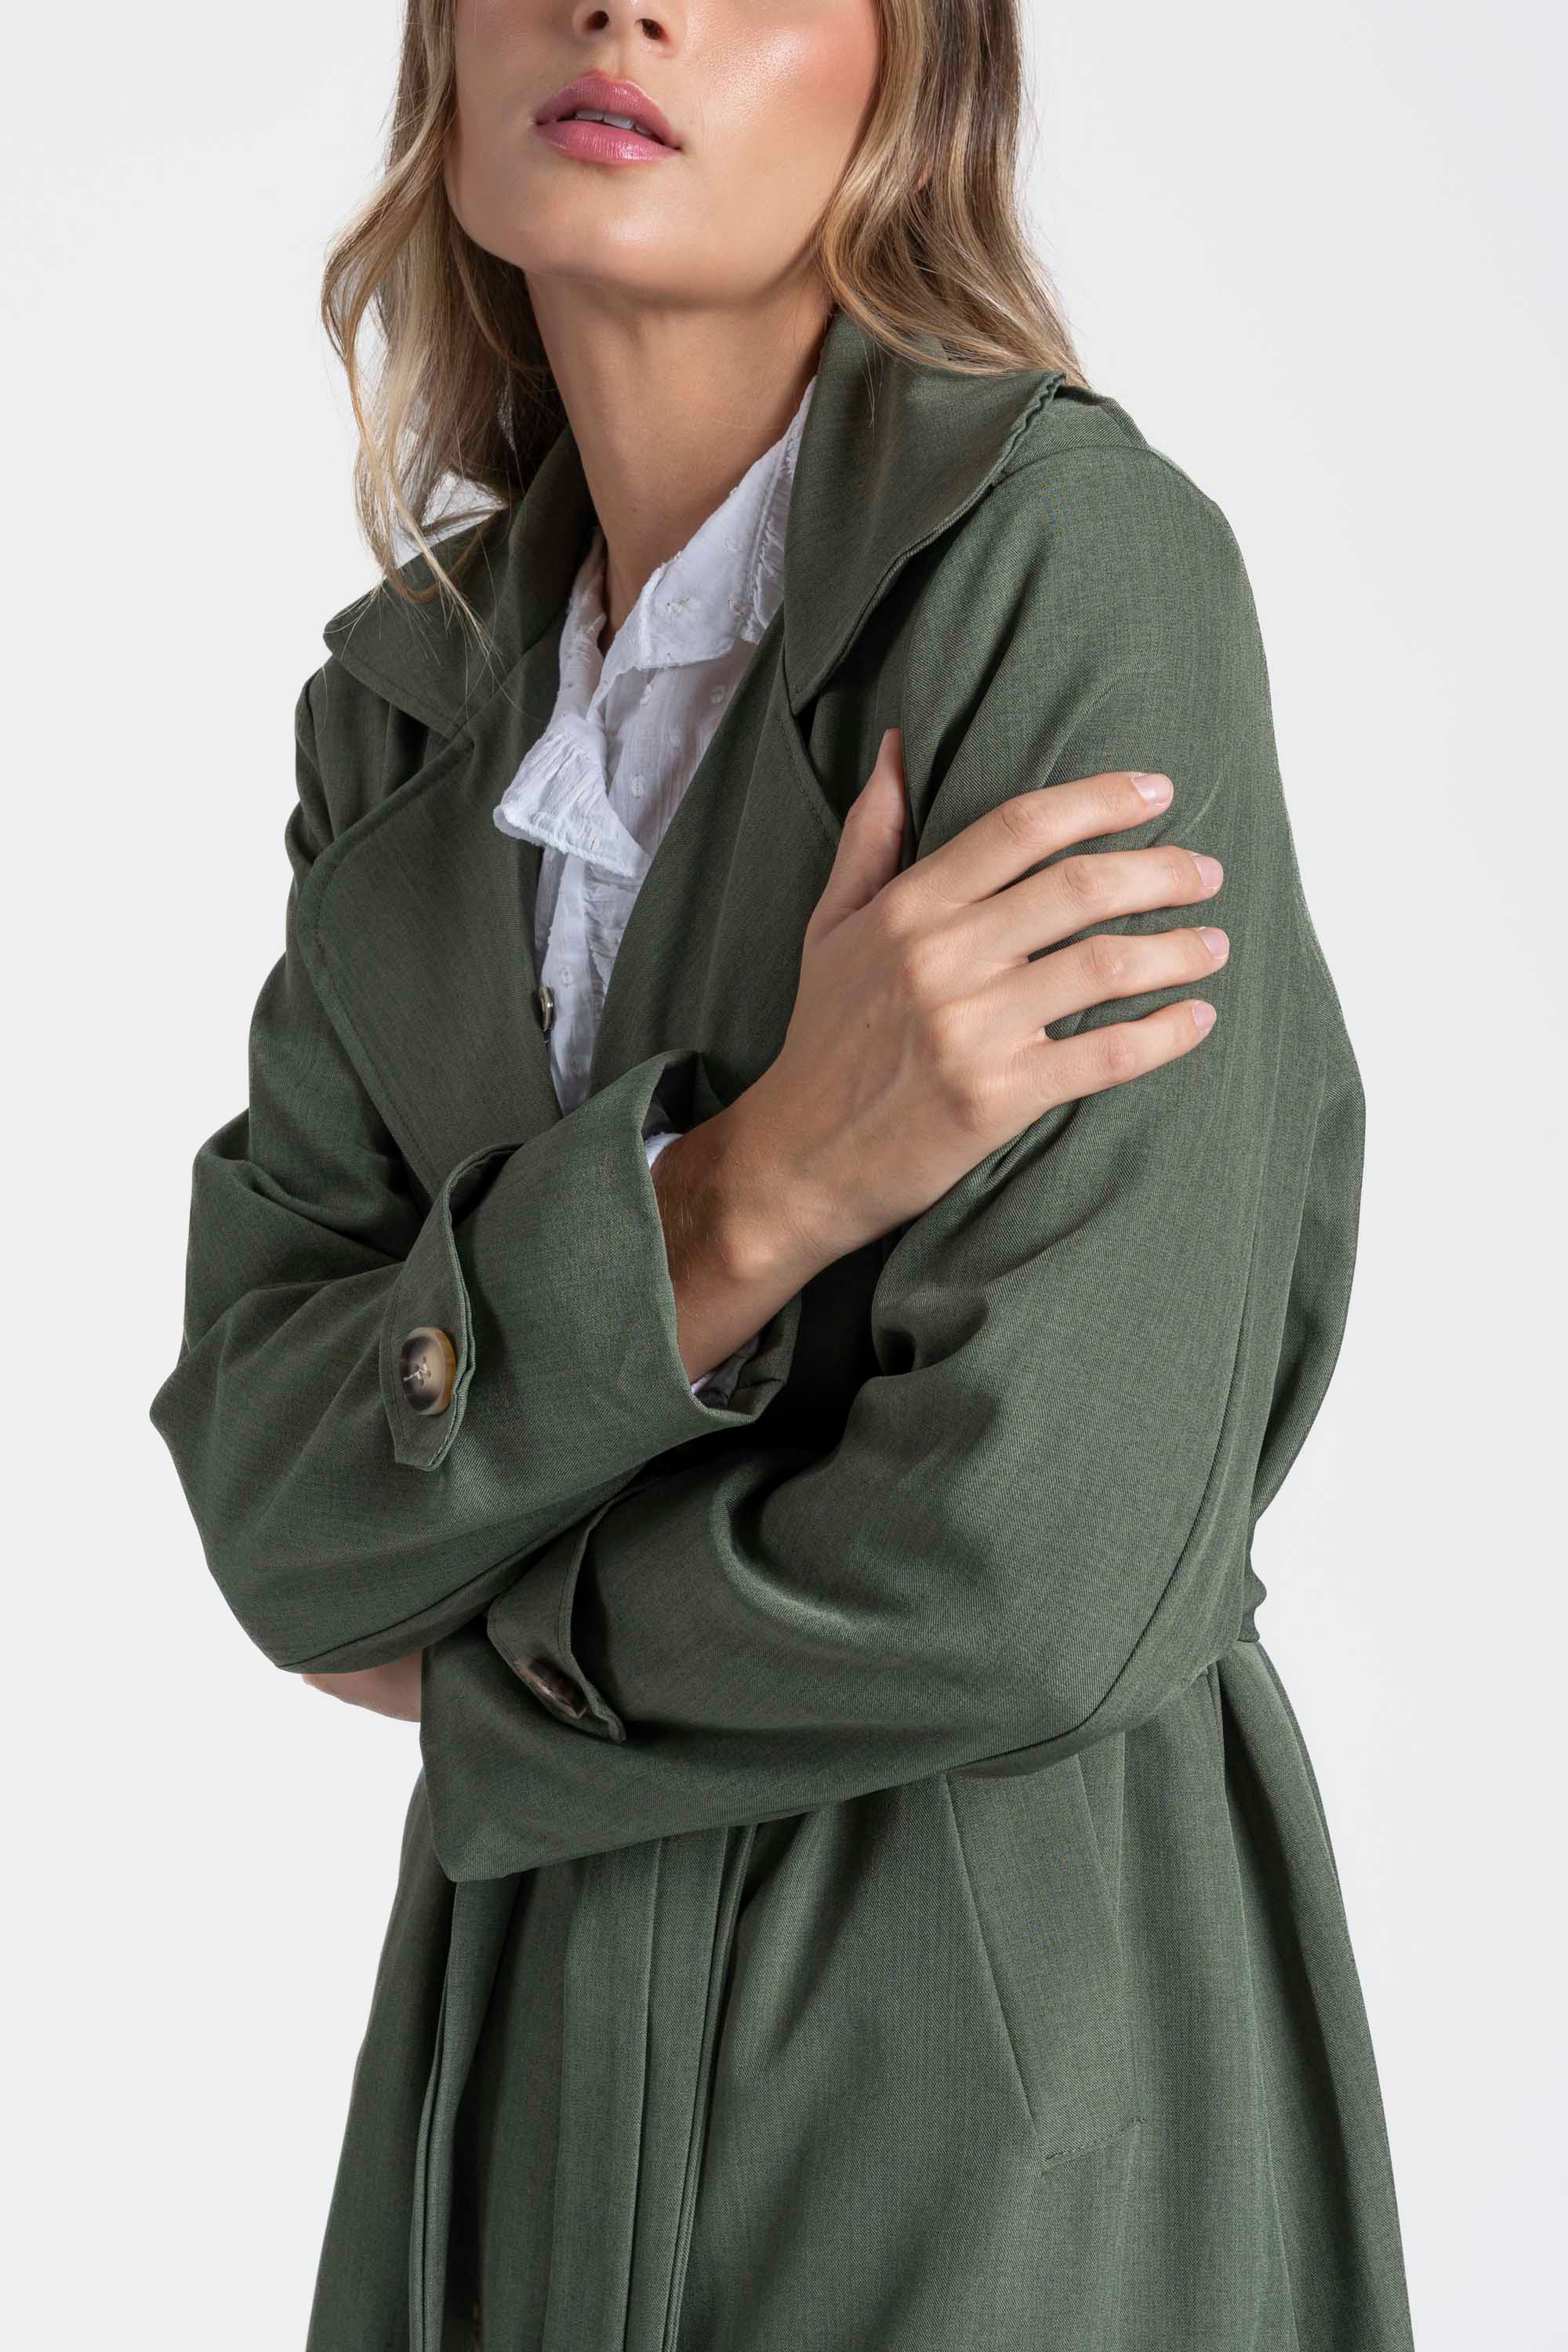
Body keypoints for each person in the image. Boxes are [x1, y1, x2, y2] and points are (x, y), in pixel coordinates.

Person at [147, 0, 1417, 2344]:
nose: (623, 5)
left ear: (919, 72)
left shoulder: (1070, 579)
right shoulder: (407, 711)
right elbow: (276, 1509)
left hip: (998, 2111)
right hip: (502, 2110)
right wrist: (745, 1199)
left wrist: (479, 1651)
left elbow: (1039, 1570)